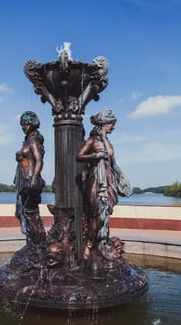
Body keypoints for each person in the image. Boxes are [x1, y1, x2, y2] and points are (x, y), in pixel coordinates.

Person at [76, 110, 131, 260]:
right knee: (99, 213)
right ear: (104, 124)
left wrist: (122, 177)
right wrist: (95, 155)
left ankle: (101, 241)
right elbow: (79, 156)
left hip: (109, 179)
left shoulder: (106, 141)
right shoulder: (92, 141)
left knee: (106, 213)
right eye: (112, 124)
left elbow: (112, 159)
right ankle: (89, 244)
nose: (113, 127)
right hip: (96, 179)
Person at [14, 111, 46, 244]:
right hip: (25, 180)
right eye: (22, 124)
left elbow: (39, 160)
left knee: (30, 213)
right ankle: (34, 242)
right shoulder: (28, 140)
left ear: (32, 124)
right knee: (29, 214)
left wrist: (34, 178)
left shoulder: (33, 140)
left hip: (30, 181)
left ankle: (37, 243)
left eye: (26, 124)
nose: (23, 127)